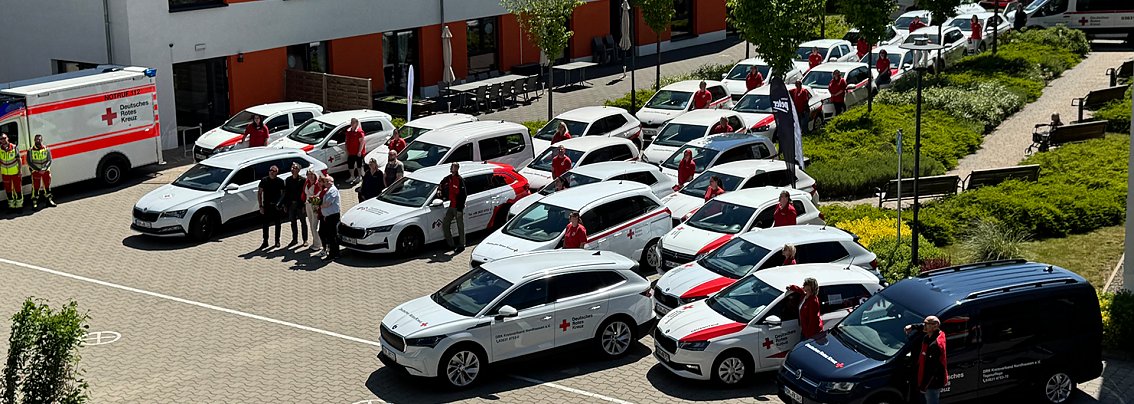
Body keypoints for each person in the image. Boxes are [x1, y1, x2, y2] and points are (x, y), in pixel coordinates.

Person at [905, 316, 948, 404]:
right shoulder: (933, 334)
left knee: (932, 401)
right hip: (927, 379)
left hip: (932, 383)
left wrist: (923, 387)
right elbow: (923, 327)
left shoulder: (935, 345)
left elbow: (931, 370)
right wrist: (913, 326)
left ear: (935, 326)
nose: (924, 326)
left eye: (927, 324)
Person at [439, 163, 467, 251]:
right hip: (451, 206)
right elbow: (441, 183)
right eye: (451, 167)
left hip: (458, 207)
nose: (451, 168)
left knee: (460, 226)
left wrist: (460, 208)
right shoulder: (448, 178)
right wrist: (439, 190)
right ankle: (450, 244)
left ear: (457, 168)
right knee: (445, 224)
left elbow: (464, 195)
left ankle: (462, 245)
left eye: (453, 167)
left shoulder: (460, 180)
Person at [258, 165, 285, 248]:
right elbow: (259, 193)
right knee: (265, 224)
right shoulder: (264, 180)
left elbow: (283, 194)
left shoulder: (280, 181)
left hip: (276, 206)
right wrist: (260, 206)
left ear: (277, 172)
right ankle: (265, 241)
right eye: (270, 170)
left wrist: (281, 204)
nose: (272, 172)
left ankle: (277, 241)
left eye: (274, 171)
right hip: (266, 205)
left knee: (278, 224)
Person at [27, 134, 55, 208]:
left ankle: (49, 200)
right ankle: (35, 202)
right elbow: (29, 162)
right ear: (34, 140)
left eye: (39, 139)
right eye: (36, 139)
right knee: (36, 187)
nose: (38, 141)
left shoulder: (46, 149)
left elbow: (50, 160)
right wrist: (38, 170)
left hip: (45, 171)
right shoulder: (30, 150)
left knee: (47, 186)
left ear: (41, 140)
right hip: (36, 172)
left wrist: (44, 169)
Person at [284, 163, 308, 246]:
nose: (293, 169)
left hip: (300, 205)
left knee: (303, 222)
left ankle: (305, 240)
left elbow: (305, 193)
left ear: (298, 170)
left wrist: (304, 205)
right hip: (291, 205)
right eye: (292, 168)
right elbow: (286, 193)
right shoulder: (288, 180)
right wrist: (285, 205)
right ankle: (294, 239)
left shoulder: (302, 180)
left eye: (295, 168)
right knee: (293, 222)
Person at [318, 175, 341, 260]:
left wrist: (319, 205)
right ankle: (333, 253)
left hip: (333, 216)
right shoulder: (328, 190)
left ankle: (334, 254)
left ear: (332, 182)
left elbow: (328, 203)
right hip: (328, 216)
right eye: (325, 181)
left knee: (332, 236)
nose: (326, 183)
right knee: (330, 235)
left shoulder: (333, 190)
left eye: (328, 181)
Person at [302, 170, 323, 251]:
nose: (310, 176)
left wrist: (312, 201)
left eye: (312, 174)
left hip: (315, 205)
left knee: (315, 225)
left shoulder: (318, 184)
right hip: (308, 205)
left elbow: (318, 196)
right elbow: (304, 193)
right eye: (308, 174)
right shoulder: (306, 182)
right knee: (311, 223)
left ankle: (319, 244)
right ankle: (315, 242)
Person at [0, 133, 22, 209]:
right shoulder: (0, 149)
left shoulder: (14, 147)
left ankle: (19, 206)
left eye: (4, 138)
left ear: (7, 138)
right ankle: (11, 206)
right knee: (8, 190)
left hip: (15, 172)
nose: (3, 140)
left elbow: (19, 160)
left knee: (18, 189)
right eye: (1, 139)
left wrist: (20, 171)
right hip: (5, 173)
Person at [345, 118, 367, 184]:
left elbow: (362, 142)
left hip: (358, 152)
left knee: (359, 165)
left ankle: (359, 176)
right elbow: (346, 141)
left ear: (356, 123)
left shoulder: (359, 132)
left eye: (353, 123)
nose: (352, 124)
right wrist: (347, 150)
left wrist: (359, 151)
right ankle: (352, 176)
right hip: (351, 152)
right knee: (350, 164)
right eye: (351, 122)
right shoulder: (348, 131)